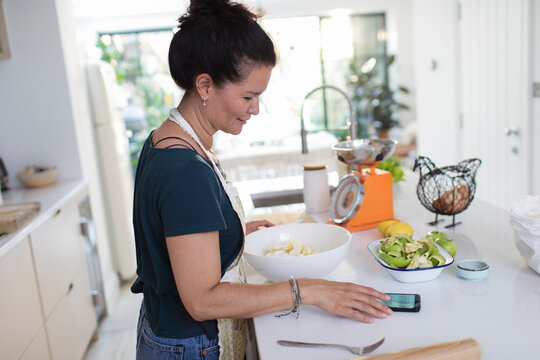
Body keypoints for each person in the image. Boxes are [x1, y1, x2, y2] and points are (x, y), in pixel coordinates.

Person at [131, 1, 393, 359]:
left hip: (165, 331)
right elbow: (202, 301)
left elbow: (172, 240)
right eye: (248, 96)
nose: (255, 108)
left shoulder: (167, 139)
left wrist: (230, 234)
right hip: (191, 346)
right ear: (205, 85)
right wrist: (310, 291)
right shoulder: (185, 169)